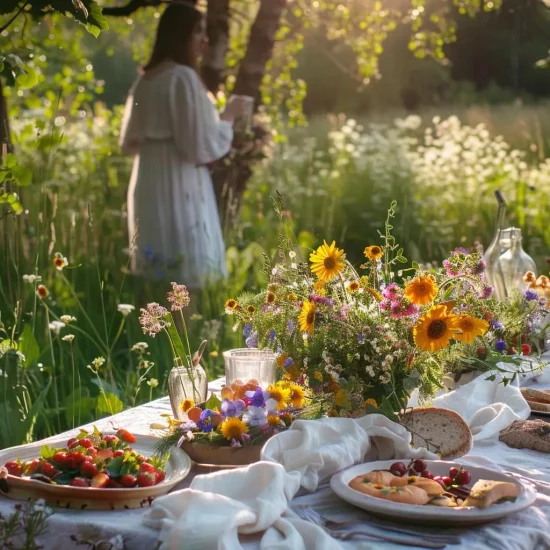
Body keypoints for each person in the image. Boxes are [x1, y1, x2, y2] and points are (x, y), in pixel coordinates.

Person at [119, 1, 246, 290]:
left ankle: (153, 333)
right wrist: (228, 116)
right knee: (183, 270)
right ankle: (184, 334)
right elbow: (197, 146)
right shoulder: (182, 77)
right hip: (178, 177)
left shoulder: (145, 81)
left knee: (157, 268)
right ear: (181, 35)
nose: (204, 40)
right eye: (198, 32)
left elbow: (130, 140)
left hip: (149, 175)